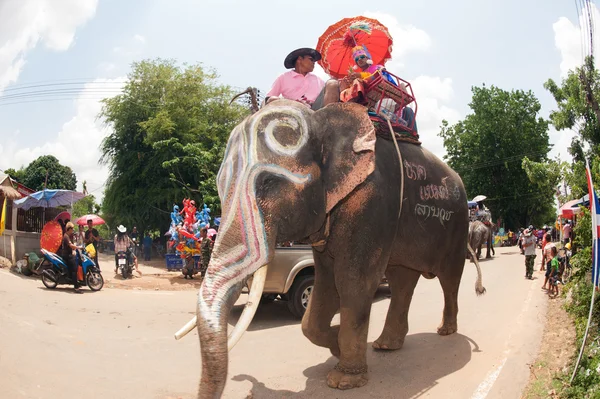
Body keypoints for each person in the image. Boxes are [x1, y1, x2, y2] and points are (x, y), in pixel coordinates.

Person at [61, 222, 84, 293]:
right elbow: (71, 246)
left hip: (69, 254)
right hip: (67, 256)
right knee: (74, 269)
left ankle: (75, 281)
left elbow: (72, 244)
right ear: (69, 229)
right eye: (72, 229)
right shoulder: (66, 236)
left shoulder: (68, 236)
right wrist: (78, 247)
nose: (73, 230)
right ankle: (76, 287)